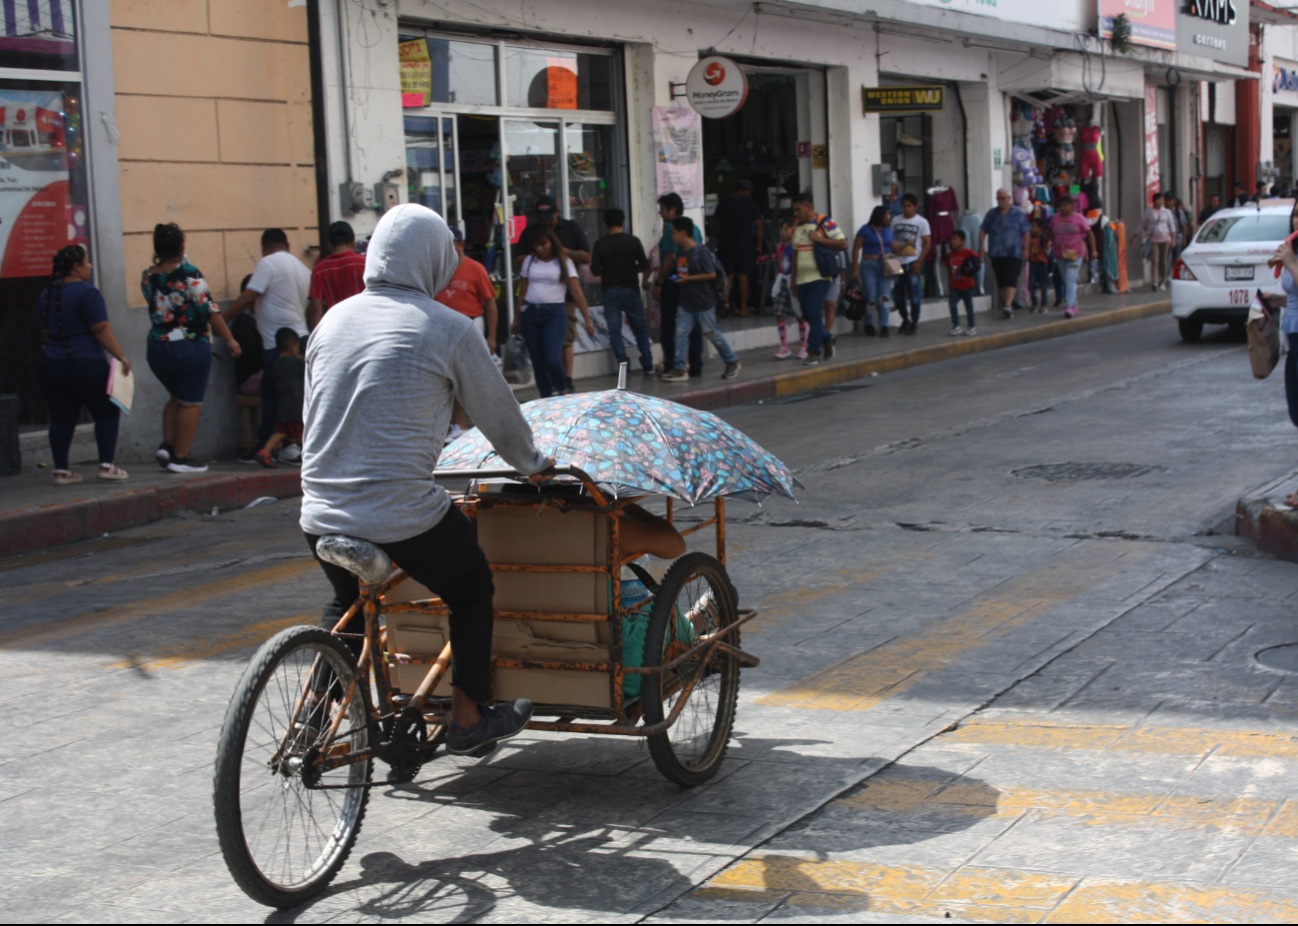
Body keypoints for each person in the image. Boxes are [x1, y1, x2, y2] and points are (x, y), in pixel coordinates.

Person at [301, 202, 555, 756]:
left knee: (344, 599)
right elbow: (501, 418)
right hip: (397, 514)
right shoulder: (448, 328)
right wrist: (534, 465)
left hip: (318, 510)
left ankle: (313, 721)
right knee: (470, 588)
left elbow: (317, 415)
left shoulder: (331, 322)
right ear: (436, 260)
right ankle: (467, 715)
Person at [142, 223, 241, 474]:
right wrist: (229, 338)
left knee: (175, 397)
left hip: (157, 347)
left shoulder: (148, 276)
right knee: (190, 403)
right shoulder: (189, 272)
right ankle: (180, 457)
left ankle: (168, 444)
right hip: (189, 345)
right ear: (182, 246)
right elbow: (208, 307)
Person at [36, 245, 131, 486]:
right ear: (76, 267)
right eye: (87, 262)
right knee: (107, 412)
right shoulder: (88, 293)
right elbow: (100, 328)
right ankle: (106, 465)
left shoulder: (46, 293)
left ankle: (61, 471)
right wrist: (120, 356)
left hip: (51, 365)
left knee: (61, 419)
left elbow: (45, 332)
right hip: (86, 364)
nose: (90, 266)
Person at [224, 228, 311, 448]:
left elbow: (247, 297)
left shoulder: (267, 263)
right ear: (288, 245)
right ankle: (300, 444)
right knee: (301, 395)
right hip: (301, 338)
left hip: (277, 344)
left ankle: (268, 446)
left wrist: (221, 321)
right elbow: (311, 305)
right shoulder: (303, 268)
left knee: (272, 395)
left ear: (264, 248)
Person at [513, 195, 591, 392]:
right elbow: (522, 290)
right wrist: (516, 318)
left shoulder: (565, 253)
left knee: (552, 357)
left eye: (544, 245)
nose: (540, 249)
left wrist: (588, 319)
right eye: (537, 246)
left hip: (556, 310)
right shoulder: (531, 258)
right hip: (531, 311)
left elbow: (577, 289)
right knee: (538, 361)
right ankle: (546, 396)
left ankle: (564, 386)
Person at [437, 226, 501, 437]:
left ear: (461, 245)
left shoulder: (475, 269)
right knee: (448, 379)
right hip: (441, 328)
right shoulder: (436, 269)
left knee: (471, 379)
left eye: (451, 244)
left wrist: (492, 336)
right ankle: (458, 425)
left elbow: (490, 302)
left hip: (471, 325)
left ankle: (483, 425)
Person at [660, 217, 741, 382]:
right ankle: (680, 368)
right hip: (686, 301)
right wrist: (680, 278)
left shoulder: (700, 251)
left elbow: (710, 274)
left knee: (712, 333)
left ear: (683, 233)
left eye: (674, 233)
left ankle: (732, 361)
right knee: (681, 333)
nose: (671, 237)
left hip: (703, 302)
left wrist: (687, 278)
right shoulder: (681, 251)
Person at [589, 208, 654, 374]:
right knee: (639, 327)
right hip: (631, 289)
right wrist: (632, 269)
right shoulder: (633, 241)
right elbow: (645, 265)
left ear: (605, 224)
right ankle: (647, 362)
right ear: (623, 223)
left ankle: (623, 364)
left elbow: (595, 269)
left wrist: (608, 271)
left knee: (614, 330)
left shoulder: (600, 244)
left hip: (610, 290)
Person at [791, 192, 848, 363]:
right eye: (794, 210)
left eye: (798, 209)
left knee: (815, 312)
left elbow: (842, 243)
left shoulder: (825, 223)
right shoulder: (798, 228)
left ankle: (814, 351)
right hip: (802, 279)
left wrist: (818, 239)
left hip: (821, 277)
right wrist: (793, 279)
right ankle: (827, 337)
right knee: (808, 314)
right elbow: (795, 254)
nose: (796, 213)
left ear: (809, 207)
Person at [1267, 202, 1298, 506]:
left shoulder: (1293, 259)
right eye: (1296, 214)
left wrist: (1289, 263)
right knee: (1296, 412)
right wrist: (1279, 300)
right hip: (1293, 337)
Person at [652, 193, 704, 376]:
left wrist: (659, 283)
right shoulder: (694, 228)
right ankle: (695, 364)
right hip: (692, 278)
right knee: (692, 322)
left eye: (663, 209)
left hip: (674, 278)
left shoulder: (671, 229)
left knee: (669, 323)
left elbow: (669, 258)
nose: (661, 213)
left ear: (673, 210)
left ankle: (672, 364)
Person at [252, 328, 305, 468]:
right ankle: (309, 455)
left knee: (281, 432)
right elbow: (309, 369)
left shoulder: (276, 363)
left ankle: (264, 451)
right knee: (303, 433)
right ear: (293, 346)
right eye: (298, 346)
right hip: (295, 407)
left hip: (282, 405)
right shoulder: (295, 363)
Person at [712, 179, 764, 316]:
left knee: (728, 274)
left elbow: (716, 222)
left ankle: (725, 304)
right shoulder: (751, 203)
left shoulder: (723, 202)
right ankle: (744, 309)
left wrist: (720, 236)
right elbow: (759, 225)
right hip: (745, 243)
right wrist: (758, 245)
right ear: (747, 191)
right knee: (743, 275)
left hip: (726, 243)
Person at [980, 189, 1032, 319]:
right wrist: (981, 247)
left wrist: (1026, 249)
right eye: (998, 198)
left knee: (1011, 278)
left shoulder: (1018, 214)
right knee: (1001, 280)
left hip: (1013, 252)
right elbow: (983, 230)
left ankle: (1008, 305)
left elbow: (1026, 231)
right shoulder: (991, 214)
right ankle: (1006, 305)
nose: (1000, 201)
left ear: (1009, 198)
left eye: (1003, 198)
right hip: (996, 252)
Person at [1043, 195, 1097, 318]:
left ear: (1072, 206)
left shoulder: (1079, 219)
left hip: (1076, 254)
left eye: (1066, 205)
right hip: (1060, 253)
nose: (1063, 208)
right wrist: (1045, 246)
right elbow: (1049, 233)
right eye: (1061, 205)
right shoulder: (1055, 219)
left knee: (1069, 277)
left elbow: (1090, 234)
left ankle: (1068, 305)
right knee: (1066, 278)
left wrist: (1093, 250)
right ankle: (1074, 304)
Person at [307, 221, 366, 327]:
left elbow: (316, 309)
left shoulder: (319, 271)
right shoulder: (366, 264)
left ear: (329, 245)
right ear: (353, 242)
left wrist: (314, 339)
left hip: (337, 330)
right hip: (365, 326)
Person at [890, 193, 931, 336]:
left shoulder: (922, 222)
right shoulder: (895, 220)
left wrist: (919, 262)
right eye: (904, 206)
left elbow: (927, 243)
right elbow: (891, 240)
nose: (906, 209)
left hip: (913, 261)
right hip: (897, 261)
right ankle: (905, 319)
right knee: (898, 295)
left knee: (914, 294)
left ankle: (914, 321)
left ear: (915, 207)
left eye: (909, 206)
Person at [851, 205, 894, 338]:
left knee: (884, 296)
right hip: (869, 265)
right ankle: (868, 324)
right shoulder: (865, 230)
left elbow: (894, 246)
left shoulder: (888, 231)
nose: (889, 217)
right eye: (886, 214)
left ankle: (885, 325)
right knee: (871, 296)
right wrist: (855, 269)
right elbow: (856, 249)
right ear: (879, 216)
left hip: (886, 265)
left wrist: (906, 245)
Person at [771, 219, 809, 358]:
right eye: (781, 229)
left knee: (799, 314)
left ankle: (803, 346)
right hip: (782, 280)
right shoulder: (778, 246)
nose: (783, 232)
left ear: (794, 230)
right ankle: (784, 346)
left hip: (795, 280)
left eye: (786, 229)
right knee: (779, 311)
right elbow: (778, 265)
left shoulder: (796, 246)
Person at [944, 229, 978, 336]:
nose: (953, 242)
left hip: (967, 285)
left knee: (969, 306)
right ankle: (956, 325)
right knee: (952, 304)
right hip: (955, 285)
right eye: (952, 239)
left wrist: (970, 268)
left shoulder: (968, 252)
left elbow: (978, 261)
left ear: (962, 241)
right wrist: (949, 283)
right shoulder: (950, 255)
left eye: (955, 239)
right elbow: (949, 269)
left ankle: (971, 326)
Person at [1143, 192, 1176, 291]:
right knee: (1155, 261)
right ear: (1154, 201)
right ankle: (1155, 282)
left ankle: (1163, 280)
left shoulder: (1166, 212)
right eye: (1159, 199)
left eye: (1162, 200)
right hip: (1153, 239)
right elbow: (1143, 223)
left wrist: (1173, 239)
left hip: (1165, 239)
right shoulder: (1149, 212)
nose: (1161, 201)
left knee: (1163, 261)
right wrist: (1135, 235)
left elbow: (1172, 226)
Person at [1027, 218, 1051, 312]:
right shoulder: (1029, 238)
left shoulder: (1043, 238)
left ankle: (1044, 304)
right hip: (1032, 263)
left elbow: (1048, 250)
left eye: (1033, 226)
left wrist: (1045, 252)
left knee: (1043, 285)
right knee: (1032, 284)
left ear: (1040, 228)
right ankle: (1034, 303)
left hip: (1042, 264)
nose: (1031, 228)